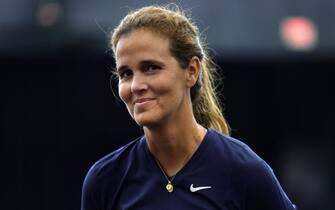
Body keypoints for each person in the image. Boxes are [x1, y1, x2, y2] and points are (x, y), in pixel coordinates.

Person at [81, 5, 297, 210]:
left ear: (192, 71)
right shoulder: (105, 179)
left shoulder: (245, 171)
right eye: (126, 74)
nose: (136, 86)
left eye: (151, 68)